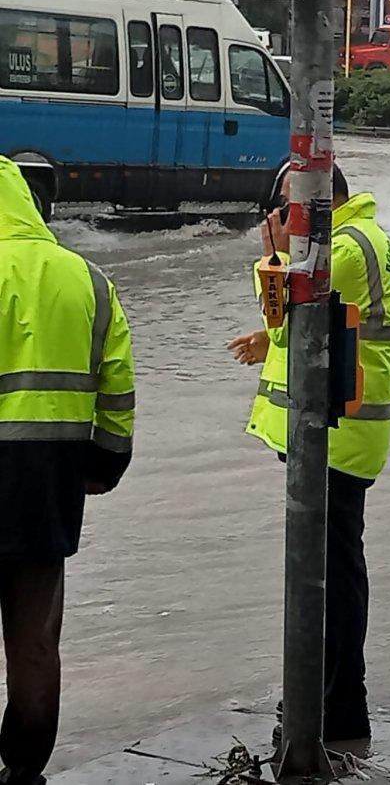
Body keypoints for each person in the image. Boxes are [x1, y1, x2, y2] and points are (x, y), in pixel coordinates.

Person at [227, 165, 390, 744]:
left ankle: (338, 708)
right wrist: (270, 333)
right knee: (330, 567)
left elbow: (290, 318)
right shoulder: (355, 241)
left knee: (332, 572)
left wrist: (275, 260)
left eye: (286, 206)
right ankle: (323, 697)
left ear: (317, 204)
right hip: (336, 428)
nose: (277, 216)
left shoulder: (346, 250)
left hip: (337, 430)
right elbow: (305, 326)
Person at [0, 157, 135, 785]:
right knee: (34, 640)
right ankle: (26, 768)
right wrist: (106, 461)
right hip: (49, 481)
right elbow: (117, 386)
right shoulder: (88, 280)